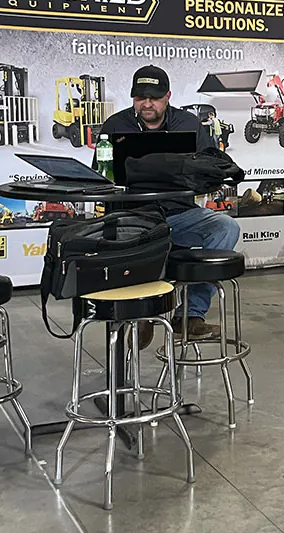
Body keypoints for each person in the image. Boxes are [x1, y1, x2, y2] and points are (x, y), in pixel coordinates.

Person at [98, 65, 240, 340]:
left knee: (226, 227)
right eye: (141, 98)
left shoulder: (189, 124)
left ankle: (190, 315)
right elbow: (101, 177)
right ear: (133, 98)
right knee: (132, 236)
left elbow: (212, 163)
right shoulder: (115, 126)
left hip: (180, 213)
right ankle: (143, 312)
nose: (147, 103)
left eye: (154, 97)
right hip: (134, 217)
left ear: (168, 96)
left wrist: (202, 174)